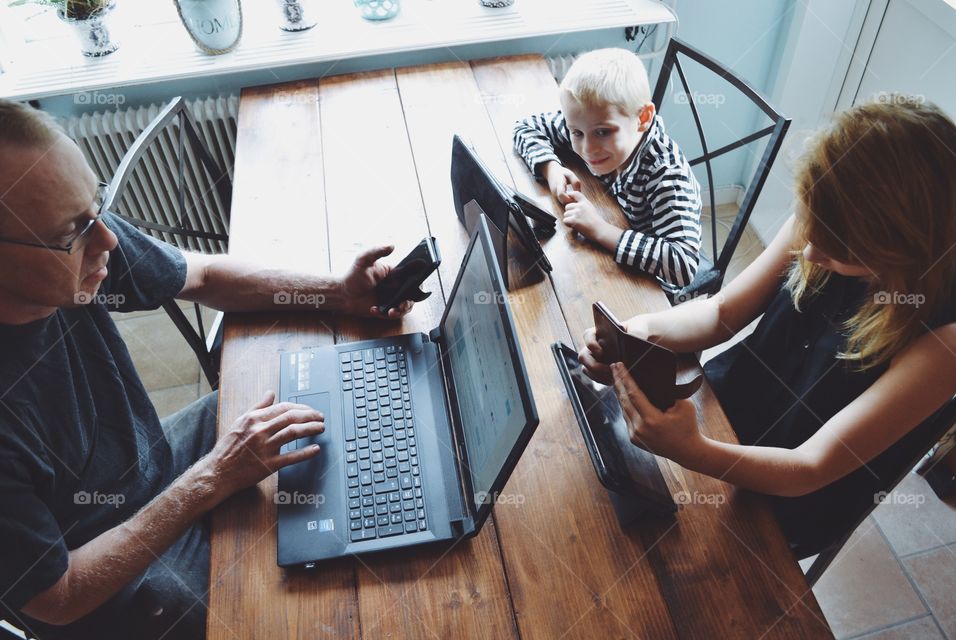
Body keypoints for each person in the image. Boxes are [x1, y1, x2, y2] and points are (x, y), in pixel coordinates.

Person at [0, 99, 415, 639]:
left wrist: (336, 292)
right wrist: (213, 478)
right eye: (73, 233)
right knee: (312, 612)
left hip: (154, 466)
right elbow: (58, 598)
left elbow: (204, 275)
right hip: (110, 589)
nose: (108, 240)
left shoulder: (80, 236)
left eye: (96, 206)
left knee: (314, 390)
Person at [579, 98, 956, 556]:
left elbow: (811, 467)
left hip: (789, 497)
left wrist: (694, 451)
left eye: (840, 249)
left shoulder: (947, 335)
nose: (812, 253)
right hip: (725, 410)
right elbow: (722, 314)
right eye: (811, 230)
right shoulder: (830, 212)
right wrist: (638, 332)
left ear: (899, 245)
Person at [512, 48, 702, 293]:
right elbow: (526, 127)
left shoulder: (667, 177)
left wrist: (600, 229)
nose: (587, 148)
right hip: (613, 226)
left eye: (603, 132)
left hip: (650, 286)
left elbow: (683, 266)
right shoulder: (590, 121)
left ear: (643, 118)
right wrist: (552, 170)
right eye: (576, 132)